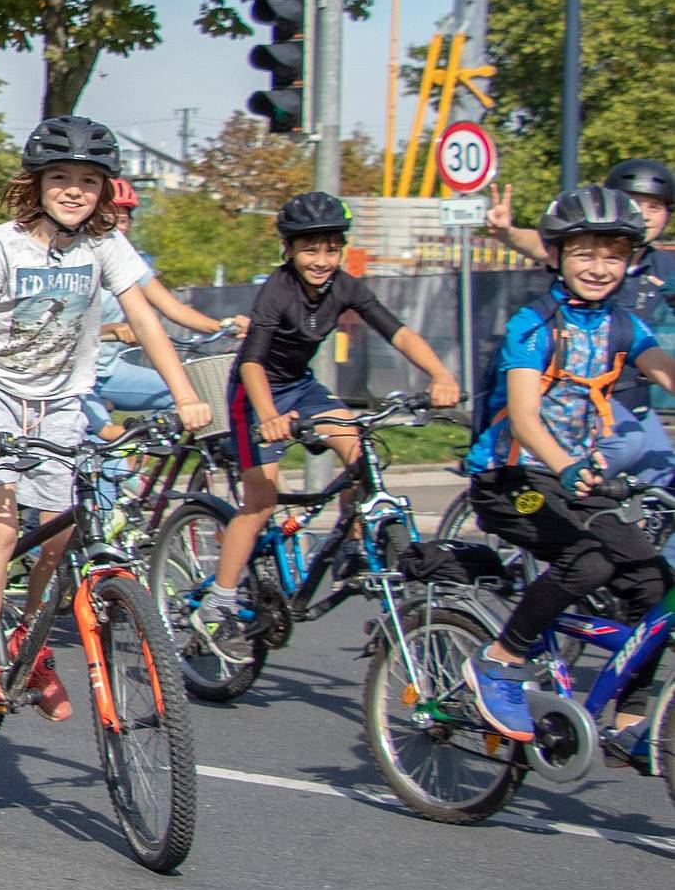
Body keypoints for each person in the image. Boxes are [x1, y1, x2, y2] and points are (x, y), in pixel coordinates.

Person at [0, 117, 212, 712]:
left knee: (63, 532)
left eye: (88, 181)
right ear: (37, 183)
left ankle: (30, 642)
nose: (74, 190)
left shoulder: (104, 245)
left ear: (104, 190)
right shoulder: (2, 244)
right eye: (61, 177)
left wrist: (185, 393)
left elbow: (145, 319)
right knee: (1, 524)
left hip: (62, 403)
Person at [458, 186, 674, 757]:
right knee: (591, 559)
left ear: (629, 260)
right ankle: (499, 661)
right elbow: (525, 420)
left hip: (574, 482)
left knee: (654, 581)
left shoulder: (625, 326)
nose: (599, 268)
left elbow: (667, 373)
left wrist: (577, 473)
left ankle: (629, 718)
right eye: (585, 254)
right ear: (554, 255)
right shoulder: (534, 324)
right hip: (513, 483)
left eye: (614, 255)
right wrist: (569, 465)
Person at [192, 191, 463, 639]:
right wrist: (268, 415)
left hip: (301, 385)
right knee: (261, 502)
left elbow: (397, 332)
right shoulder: (278, 291)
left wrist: (441, 374)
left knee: (361, 455)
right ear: (289, 249)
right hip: (255, 392)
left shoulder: (345, 287)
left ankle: (353, 545)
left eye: (332, 249)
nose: (322, 260)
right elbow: (252, 361)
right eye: (310, 250)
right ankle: (220, 596)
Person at [486, 158, 675, 486]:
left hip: (635, 392)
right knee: (623, 449)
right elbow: (542, 244)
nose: (600, 269)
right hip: (576, 393)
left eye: (654, 207)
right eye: (635, 203)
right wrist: (507, 232)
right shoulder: (544, 313)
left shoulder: (664, 267)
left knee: (662, 477)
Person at [90, 179, 249, 426]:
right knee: (101, 441)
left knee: (187, 397)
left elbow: (171, 306)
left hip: (110, 371)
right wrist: (109, 330)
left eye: (122, 220)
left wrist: (222, 327)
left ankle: (149, 447)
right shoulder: (77, 257)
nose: (115, 228)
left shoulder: (125, 259)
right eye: (106, 219)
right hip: (76, 377)